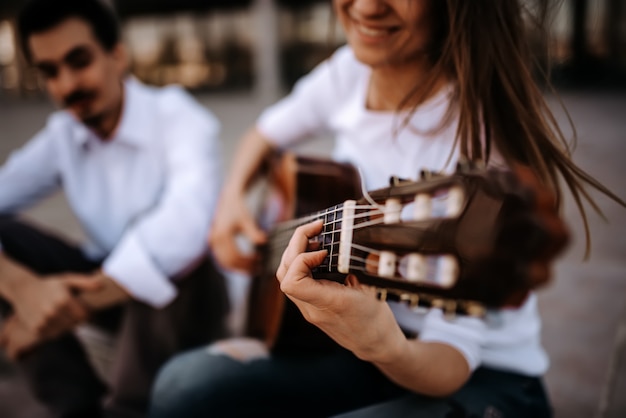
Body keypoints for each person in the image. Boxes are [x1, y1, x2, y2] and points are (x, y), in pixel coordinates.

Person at [149, 0, 624, 417]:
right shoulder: (349, 73)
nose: (367, 7)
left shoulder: (480, 153)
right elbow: (265, 134)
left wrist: (380, 343)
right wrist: (231, 201)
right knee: (181, 388)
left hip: (482, 380)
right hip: (364, 353)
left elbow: (452, 361)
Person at [0, 0, 229, 417]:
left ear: (117, 55)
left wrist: (62, 311)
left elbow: (186, 226)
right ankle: (74, 406)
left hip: (191, 305)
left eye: (79, 61)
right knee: (8, 240)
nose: (67, 85)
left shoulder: (179, 117)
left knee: (179, 254)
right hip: (107, 290)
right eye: (49, 72)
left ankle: (129, 407)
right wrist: (23, 290)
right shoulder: (62, 136)